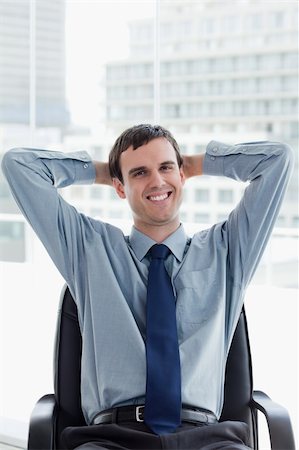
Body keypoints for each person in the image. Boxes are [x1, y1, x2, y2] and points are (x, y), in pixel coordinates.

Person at [2, 124, 293, 450]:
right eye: (139, 172)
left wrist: (195, 164)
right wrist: (105, 172)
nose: (156, 181)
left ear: (182, 174)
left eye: (166, 167)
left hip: (207, 439)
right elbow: (19, 165)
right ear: (120, 188)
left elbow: (276, 161)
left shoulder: (227, 251)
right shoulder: (88, 250)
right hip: (112, 438)